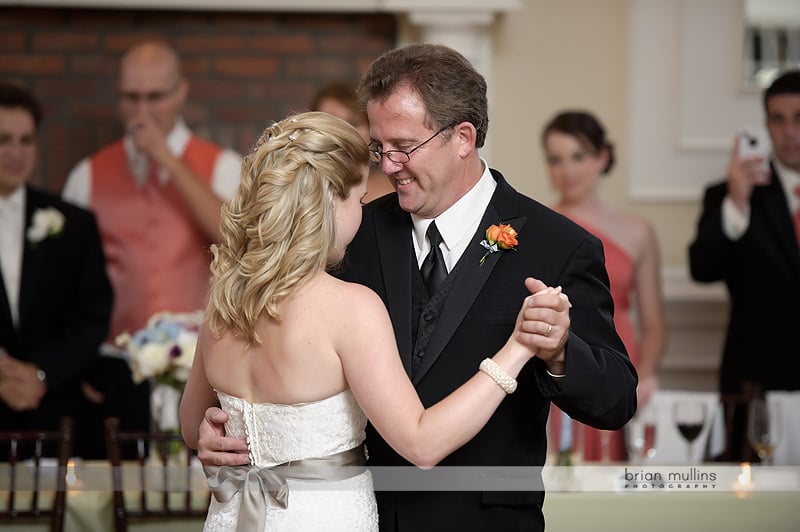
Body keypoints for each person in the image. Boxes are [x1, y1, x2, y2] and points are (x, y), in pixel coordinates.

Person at [195, 44, 637, 531]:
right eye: (378, 148)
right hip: (360, 517)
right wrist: (219, 431)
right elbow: (278, 357)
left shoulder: (557, 245)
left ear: (463, 138)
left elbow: (615, 399)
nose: (388, 166)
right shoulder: (349, 232)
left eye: (404, 147)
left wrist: (558, 352)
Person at [179, 111, 553, 531]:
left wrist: (212, 437)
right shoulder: (349, 307)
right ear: (327, 205)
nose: (364, 215)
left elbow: (193, 425)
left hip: (231, 517)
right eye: (358, 201)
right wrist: (518, 349)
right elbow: (422, 443)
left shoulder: (225, 299)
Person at [61, 39, 242, 434]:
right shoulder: (87, 175)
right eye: (131, 97)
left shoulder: (224, 166)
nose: (142, 111)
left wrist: (167, 159)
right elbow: (68, 282)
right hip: (113, 363)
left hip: (200, 364)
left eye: (155, 97)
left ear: (181, 93)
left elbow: (238, 241)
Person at [540, 110, 666, 462]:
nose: (567, 171)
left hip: (620, 363)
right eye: (556, 159)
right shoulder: (541, 227)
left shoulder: (637, 231)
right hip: (563, 360)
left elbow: (655, 323)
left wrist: (642, 378)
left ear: (602, 157)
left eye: (578, 157)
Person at [688, 70, 800, 460]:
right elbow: (702, 267)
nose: (789, 131)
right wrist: (737, 203)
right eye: (778, 119)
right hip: (754, 381)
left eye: (799, 118)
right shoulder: (729, 193)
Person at [0, 82, 113, 456]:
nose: (16, 153)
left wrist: (41, 373)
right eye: (4, 140)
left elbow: (91, 315)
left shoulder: (73, 224)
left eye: (25, 140)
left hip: (53, 411)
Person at [310, 81, 394, 202]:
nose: (343, 133)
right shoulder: (293, 192)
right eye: (331, 123)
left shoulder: (394, 193)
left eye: (353, 123)